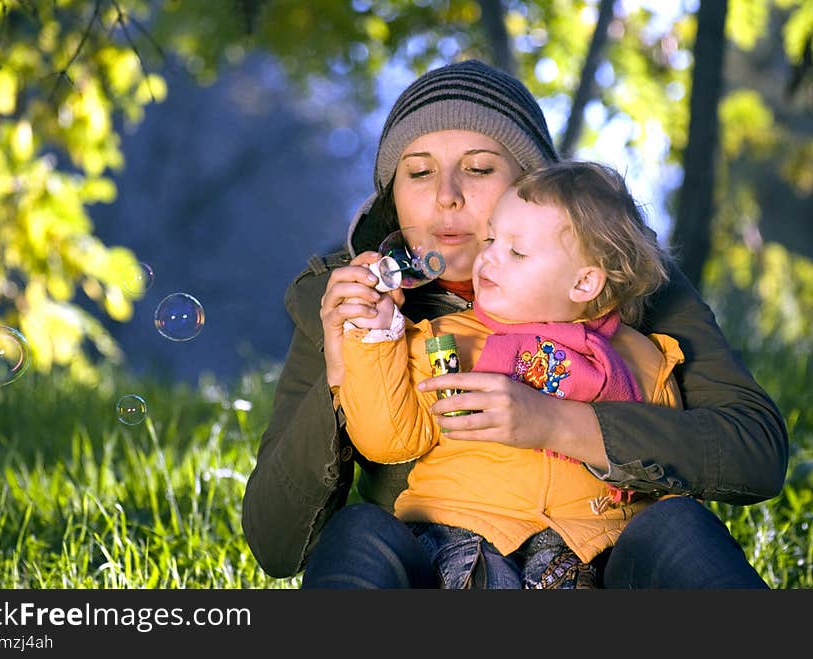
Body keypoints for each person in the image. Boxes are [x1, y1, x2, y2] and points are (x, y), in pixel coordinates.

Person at [241, 59, 787, 588]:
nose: (446, 195)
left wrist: (556, 423)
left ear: (534, 188)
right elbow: (275, 544)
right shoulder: (354, 305)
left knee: (676, 526)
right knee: (361, 529)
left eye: (479, 169)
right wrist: (343, 370)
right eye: (418, 171)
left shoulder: (629, 279)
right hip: (440, 570)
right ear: (393, 194)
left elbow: (754, 452)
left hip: (599, 562)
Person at [336, 160, 686, 588]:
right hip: (456, 539)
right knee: (364, 531)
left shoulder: (642, 359)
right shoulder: (445, 337)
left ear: (584, 284)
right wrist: (375, 335)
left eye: (516, 252)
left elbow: (667, 474)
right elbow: (387, 438)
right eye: (491, 239)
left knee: (680, 524)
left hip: (586, 550)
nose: (487, 259)